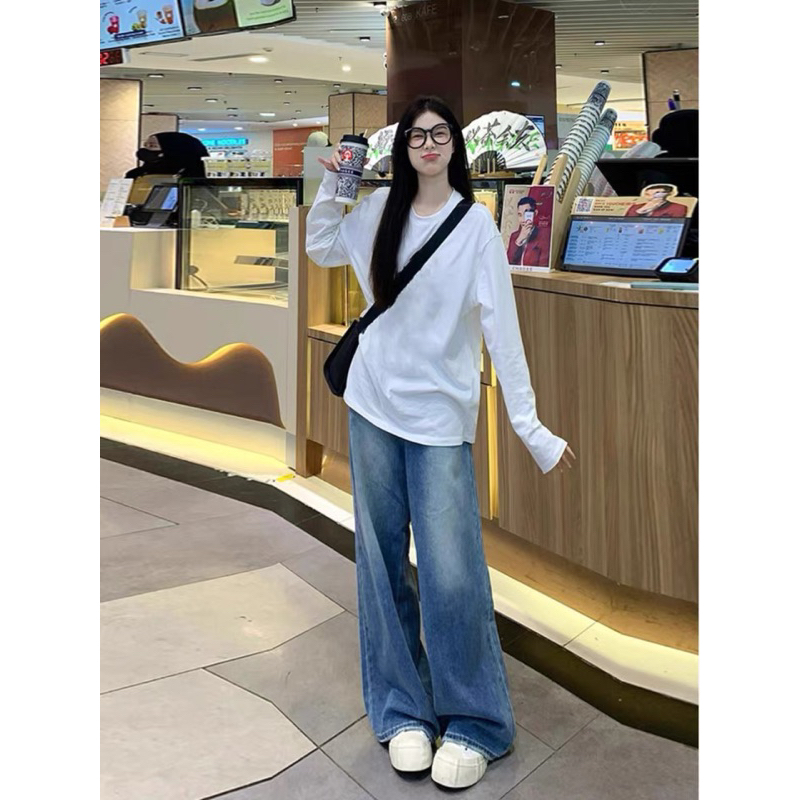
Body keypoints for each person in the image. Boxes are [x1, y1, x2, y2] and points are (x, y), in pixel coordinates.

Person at [306, 96, 575, 790]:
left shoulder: (475, 225)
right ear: (403, 149)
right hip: (371, 404)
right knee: (380, 562)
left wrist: (529, 425)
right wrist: (336, 184)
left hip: (439, 418)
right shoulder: (377, 212)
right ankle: (401, 709)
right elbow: (321, 245)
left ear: (455, 144)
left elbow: (503, 331)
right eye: (416, 135)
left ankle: (476, 721)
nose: (428, 144)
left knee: (453, 571)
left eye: (439, 133)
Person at [125, 131, 209, 180]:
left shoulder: (198, 176)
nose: (146, 149)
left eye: (152, 145)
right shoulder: (135, 174)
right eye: (145, 145)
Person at [506, 196, 548, 267]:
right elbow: (508, 262)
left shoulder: (543, 235)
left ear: (535, 213)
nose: (522, 219)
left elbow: (543, 265)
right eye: (520, 215)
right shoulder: (514, 236)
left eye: (526, 214)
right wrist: (519, 240)